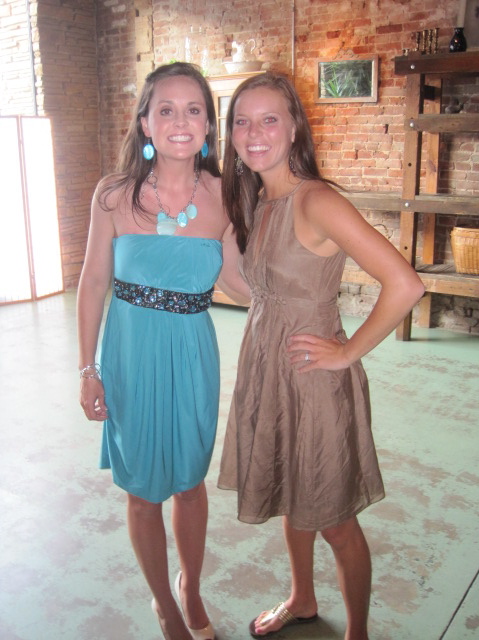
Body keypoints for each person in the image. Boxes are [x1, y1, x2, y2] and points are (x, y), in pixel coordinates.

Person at [217, 72, 425, 640]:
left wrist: (347, 351)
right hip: (269, 369)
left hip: (313, 379)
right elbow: (257, 290)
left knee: (334, 518)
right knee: (291, 490)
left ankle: (356, 633)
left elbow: (405, 284)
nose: (254, 133)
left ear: (294, 129)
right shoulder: (260, 200)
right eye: (242, 121)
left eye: (269, 120)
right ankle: (302, 599)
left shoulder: (317, 201)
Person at [77, 61, 245, 640]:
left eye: (194, 109)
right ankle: (163, 603)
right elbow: (92, 283)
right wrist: (88, 369)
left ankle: (190, 586)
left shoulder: (226, 196)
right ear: (145, 123)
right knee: (143, 490)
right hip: (129, 355)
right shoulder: (113, 195)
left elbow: (239, 282)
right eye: (166, 110)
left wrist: (299, 300)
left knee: (190, 484)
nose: (180, 121)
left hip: (193, 355)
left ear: (209, 125)